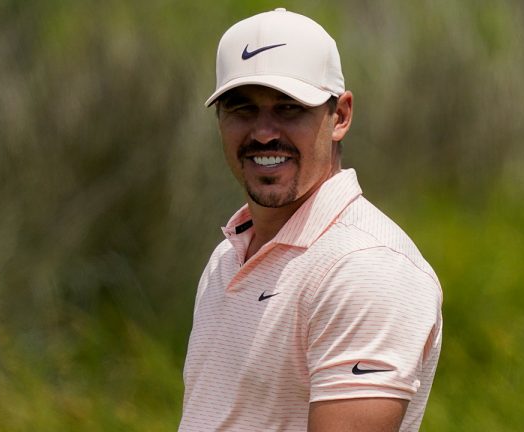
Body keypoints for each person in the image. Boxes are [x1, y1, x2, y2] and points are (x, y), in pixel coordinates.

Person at [180, 8, 443, 432]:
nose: (263, 133)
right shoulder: (226, 257)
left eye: (289, 108)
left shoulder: (367, 266)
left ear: (341, 116)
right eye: (241, 108)